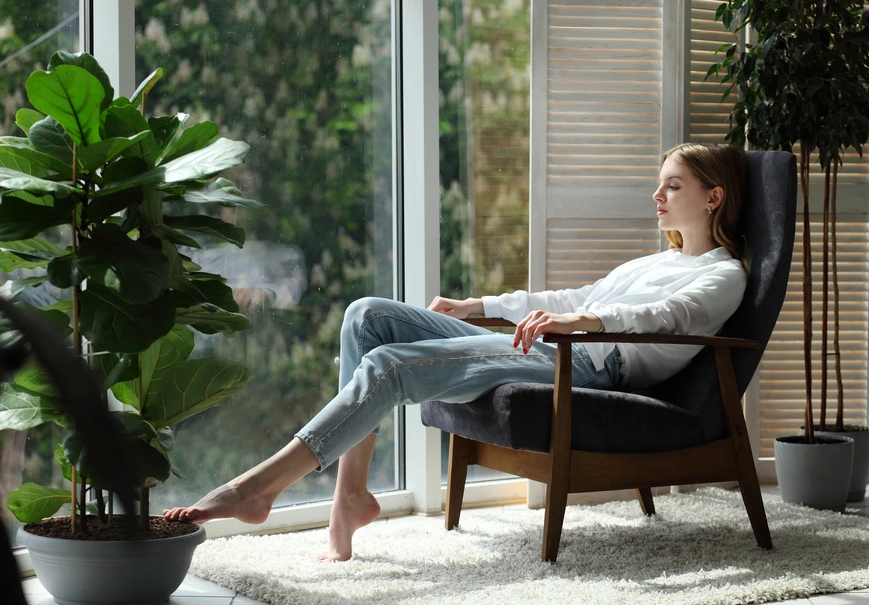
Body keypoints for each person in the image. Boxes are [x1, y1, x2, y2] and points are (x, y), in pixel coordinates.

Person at [162, 142, 751, 561]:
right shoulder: (653, 262)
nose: (658, 194)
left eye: (673, 184)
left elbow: (667, 318)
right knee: (367, 316)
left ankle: (258, 489)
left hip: (593, 368)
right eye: (660, 182)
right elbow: (572, 294)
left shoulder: (726, 275)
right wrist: (478, 306)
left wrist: (586, 319)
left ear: (713, 197)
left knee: (388, 366)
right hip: (554, 345)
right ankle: (352, 496)